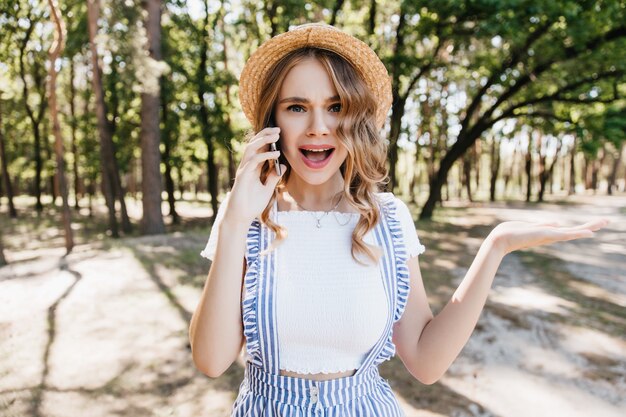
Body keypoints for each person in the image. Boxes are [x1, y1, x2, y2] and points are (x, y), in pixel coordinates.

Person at [189, 23, 608, 417]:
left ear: (357, 118)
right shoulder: (245, 218)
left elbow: (425, 362)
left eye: (336, 107)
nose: (318, 128)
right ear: (273, 121)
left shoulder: (386, 218)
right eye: (297, 107)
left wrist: (495, 245)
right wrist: (235, 221)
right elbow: (210, 360)